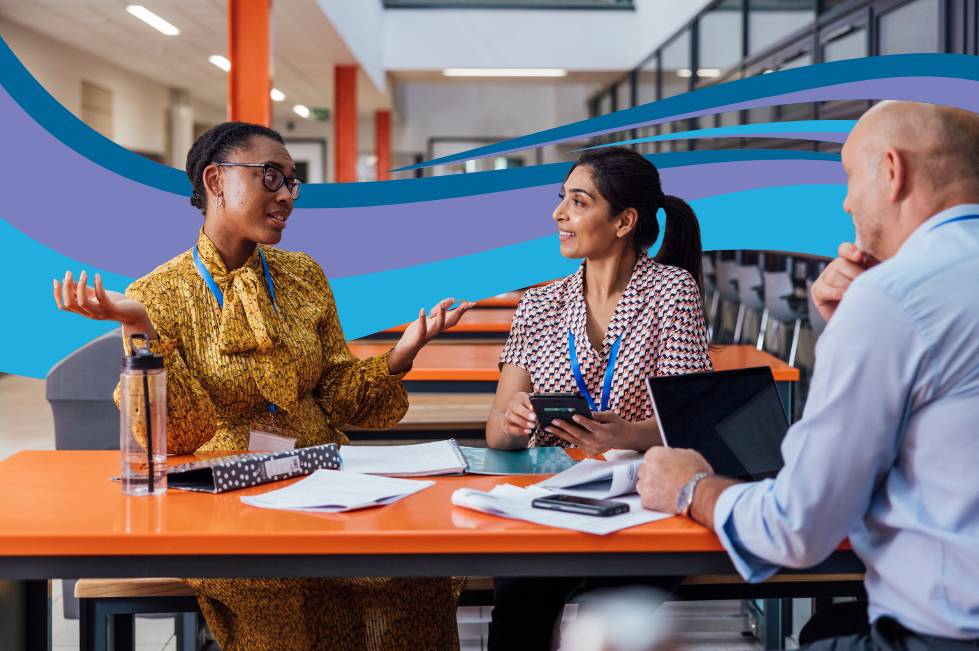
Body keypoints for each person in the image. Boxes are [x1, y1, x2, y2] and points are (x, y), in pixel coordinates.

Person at [53, 121, 475, 650]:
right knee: (289, 588)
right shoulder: (156, 294)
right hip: (221, 503)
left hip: (323, 480)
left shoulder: (303, 275)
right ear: (216, 181)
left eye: (292, 183)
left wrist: (401, 354)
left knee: (415, 572)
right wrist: (141, 329)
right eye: (271, 177)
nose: (287, 197)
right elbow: (178, 438)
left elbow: (337, 393)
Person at [637, 100, 979, 650]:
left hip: (944, 637)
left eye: (849, 176)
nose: (845, 200)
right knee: (829, 627)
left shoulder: (895, 297)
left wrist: (691, 488)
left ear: (893, 171)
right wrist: (851, 333)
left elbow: (797, 529)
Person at [486, 147, 712, 650]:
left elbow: (690, 421)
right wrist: (516, 420)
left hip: (641, 498)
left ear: (624, 221)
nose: (559, 214)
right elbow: (496, 431)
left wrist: (624, 435)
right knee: (520, 610)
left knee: (608, 618)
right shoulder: (540, 303)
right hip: (550, 497)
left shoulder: (670, 292)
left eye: (579, 202)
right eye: (562, 199)